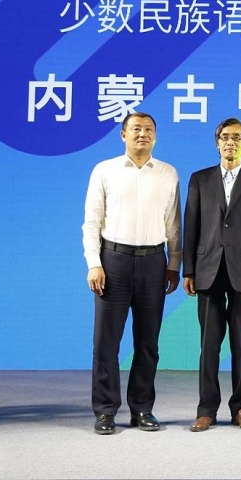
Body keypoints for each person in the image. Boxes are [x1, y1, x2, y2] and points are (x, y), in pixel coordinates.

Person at [82, 111, 181, 435]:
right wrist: (94, 263)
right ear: (123, 135)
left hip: (154, 262)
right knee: (106, 343)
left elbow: (174, 225)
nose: (143, 134)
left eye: (149, 129)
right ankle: (105, 411)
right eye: (136, 129)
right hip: (113, 261)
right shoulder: (105, 170)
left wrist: (173, 264)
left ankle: (142, 409)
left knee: (148, 343)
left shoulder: (167, 173)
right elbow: (91, 222)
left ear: (156, 136)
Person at [183, 117, 241, 432]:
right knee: (209, 345)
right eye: (224, 137)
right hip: (207, 269)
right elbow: (191, 226)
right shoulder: (199, 179)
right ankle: (206, 409)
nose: (230, 142)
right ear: (217, 143)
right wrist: (188, 270)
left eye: (237, 137)